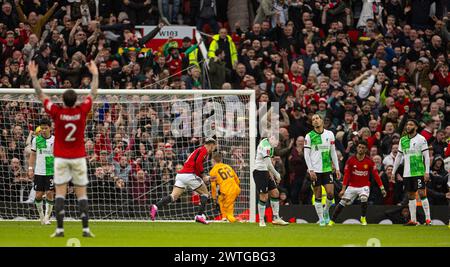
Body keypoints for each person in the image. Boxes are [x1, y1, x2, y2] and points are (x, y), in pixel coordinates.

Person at [28, 59, 99, 237]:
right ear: (76, 101)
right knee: (81, 194)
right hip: (78, 158)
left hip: (60, 158)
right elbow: (94, 93)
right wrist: (95, 74)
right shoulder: (82, 111)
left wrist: (34, 77)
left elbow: (40, 95)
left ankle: (59, 229)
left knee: (59, 194)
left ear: (63, 101)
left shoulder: (57, 113)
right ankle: (86, 229)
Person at [150, 138, 217, 224]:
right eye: (215, 146)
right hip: (189, 175)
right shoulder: (204, 150)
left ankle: (155, 206)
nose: (215, 148)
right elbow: (198, 163)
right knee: (205, 194)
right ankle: (199, 216)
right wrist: (204, 176)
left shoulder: (199, 150)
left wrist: (203, 177)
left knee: (173, 196)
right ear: (211, 145)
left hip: (181, 175)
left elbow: (195, 163)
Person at [328, 140, 386, 226]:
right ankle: (332, 221)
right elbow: (346, 176)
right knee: (342, 202)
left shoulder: (369, 161)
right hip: (352, 186)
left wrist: (382, 188)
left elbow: (376, 175)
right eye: (359, 147)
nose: (361, 149)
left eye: (363, 148)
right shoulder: (351, 160)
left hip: (364, 186)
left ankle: (363, 218)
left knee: (364, 198)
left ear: (366, 150)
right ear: (356, 148)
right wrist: (343, 190)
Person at [392, 119, 431, 226]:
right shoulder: (403, 140)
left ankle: (428, 219)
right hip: (407, 173)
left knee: (422, 193)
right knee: (410, 195)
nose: (408, 126)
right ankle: (414, 220)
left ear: (416, 127)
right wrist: (393, 172)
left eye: (411, 125)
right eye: (407, 124)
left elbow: (426, 156)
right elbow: (398, 157)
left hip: (418, 171)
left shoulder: (421, 139)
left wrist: (427, 172)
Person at [304, 114, 341, 226]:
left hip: (327, 168)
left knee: (330, 194)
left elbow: (333, 152)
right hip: (315, 169)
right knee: (318, 194)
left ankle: (325, 212)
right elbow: (306, 154)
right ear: (312, 123)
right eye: (313, 119)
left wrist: (337, 168)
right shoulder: (309, 136)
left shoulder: (329, 134)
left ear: (322, 120)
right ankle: (321, 219)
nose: (315, 120)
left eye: (317, 118)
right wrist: (311, 170)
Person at [253, 135, 289, 227]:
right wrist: (276, 174)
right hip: (259, 172)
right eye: (276, 141)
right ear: (271, 139)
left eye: (279, 142)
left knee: (275, 193)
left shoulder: (270, 145)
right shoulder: (266, 146)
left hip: (266, 172)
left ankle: (276, 218)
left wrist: (271, 174)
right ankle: (261, 220)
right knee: (264, 196)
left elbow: (269, 162)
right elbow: (268, 164)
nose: (277, 143)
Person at [28, 119, 55, 225]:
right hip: (39, 171)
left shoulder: (55, 140)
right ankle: (41, 216)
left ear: (50, 128)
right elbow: (33, 155)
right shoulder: (36, 140)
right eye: (42, 128)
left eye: (45, 128)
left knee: (49, 193)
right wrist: (30, 168)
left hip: (50, 171)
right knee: (38, 195)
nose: (43, 130)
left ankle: (47, 218)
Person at [209, 152, 240, 223]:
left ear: (213, 161)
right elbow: (237, 179)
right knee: (220, 200)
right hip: (234, 188)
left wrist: (213, 198)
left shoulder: (213, 171)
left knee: (228, 211)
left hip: (228, 191)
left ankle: (236, 220)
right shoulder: (228, 166)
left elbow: (213, 186)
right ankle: (224, 218)